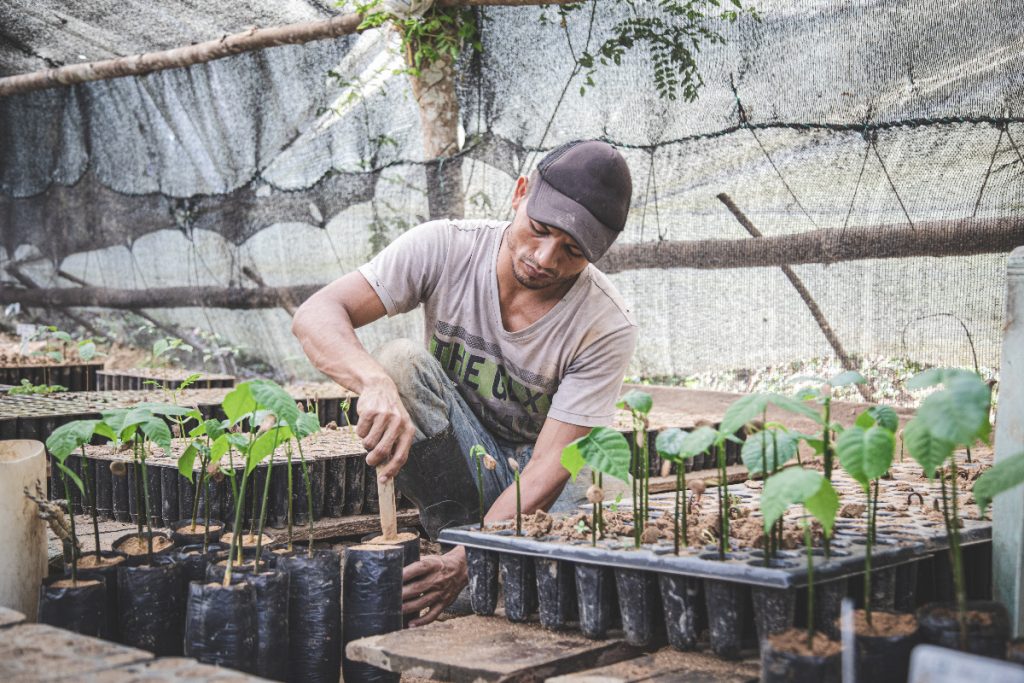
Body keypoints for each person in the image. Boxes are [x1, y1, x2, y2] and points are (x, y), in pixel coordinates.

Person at [292, 139, 638, 625]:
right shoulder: (447, 246)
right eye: (539, 230)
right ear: (520, 193)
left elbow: (549, 464)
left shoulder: (605, 323)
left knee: (606, 529)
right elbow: (317, 313)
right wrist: (373, 383)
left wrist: (474, 559)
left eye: (572, 251)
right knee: (397, 363)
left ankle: (474, 559)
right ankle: (455, 539)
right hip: (468, 454)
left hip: (543, 478)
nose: (544, 258)